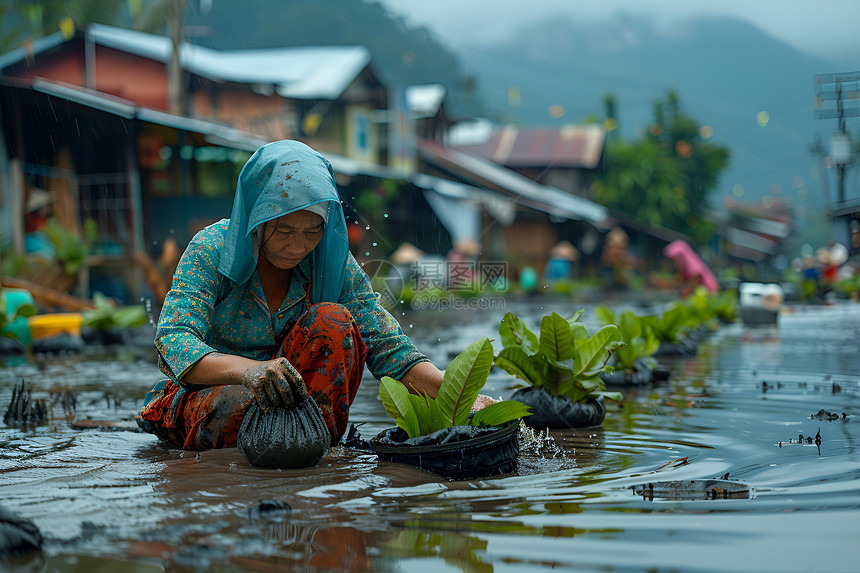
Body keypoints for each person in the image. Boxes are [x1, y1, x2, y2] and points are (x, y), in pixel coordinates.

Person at [137, 140, 483, 451]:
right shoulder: (212, 250)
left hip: (301, 410)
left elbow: (389, 348)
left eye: (312, 231)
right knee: (235, 408)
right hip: (214, 398)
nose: (298, 246)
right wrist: (248, 371)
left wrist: (466, 399)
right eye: (284, 230)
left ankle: (310, 446)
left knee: (334, 320)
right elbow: (174, 340)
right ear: (257, 219)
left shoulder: (330, 263)